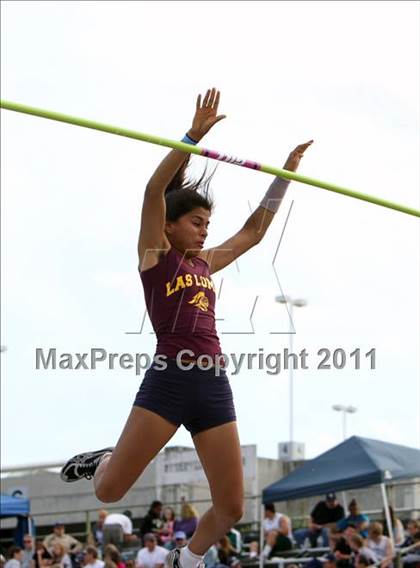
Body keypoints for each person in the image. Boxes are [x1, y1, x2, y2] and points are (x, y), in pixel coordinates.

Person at [59, 86, 313, 568]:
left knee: (232, 507)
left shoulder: (203, 264)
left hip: (213, 382)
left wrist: (284, 176)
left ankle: (187, 559)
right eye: (196, 221)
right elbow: (154, 191)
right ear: (170, 226)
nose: (205, 230)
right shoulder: (154, 258)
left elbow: (255, 233)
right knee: (110, 491)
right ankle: (103, 460)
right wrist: (192, 135)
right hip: (170, 379)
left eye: (207, 223)